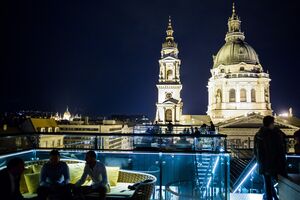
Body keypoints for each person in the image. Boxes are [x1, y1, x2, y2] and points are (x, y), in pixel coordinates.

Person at [254, 116, 286, 200]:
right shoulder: (274, 135)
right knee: (281, 182)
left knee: (268, 182)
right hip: (274, 163)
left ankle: (270, 197)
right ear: (271, 123)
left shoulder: (258, 134)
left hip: (263, 164)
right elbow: (279, 149)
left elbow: (255, 151)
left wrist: (259, 161)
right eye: (273, 123)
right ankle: (277, 197)